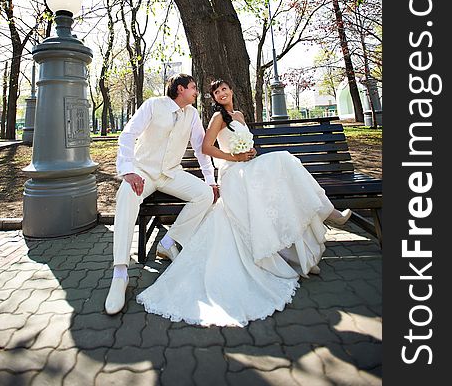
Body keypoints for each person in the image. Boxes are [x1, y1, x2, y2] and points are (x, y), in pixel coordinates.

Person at [136, 79, 352, 327]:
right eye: (216, 92)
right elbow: (206, 148)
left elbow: (249, 146)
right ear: (215, 98)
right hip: (232, 172)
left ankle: (299, 254)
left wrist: (249, 155)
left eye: (224, 89)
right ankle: (327, 212)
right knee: (284, 160)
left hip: (247, 167)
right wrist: (234, 157)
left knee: (284, 174)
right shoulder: (217, 118)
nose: (221, 93)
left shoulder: (238, 115)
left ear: (231, 90)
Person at [104, 74, 218, 315]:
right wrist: (128, 171)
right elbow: (127, 135)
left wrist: (210, 180)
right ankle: (120, 273)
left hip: (171, 174)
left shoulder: (192, 115)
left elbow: (200, 148)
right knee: (125, 196)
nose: (196, 92)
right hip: (143, 172)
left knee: (205, 195)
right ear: (180, 89)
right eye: (193, 88)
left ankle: (168, 242)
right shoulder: (153, 105)